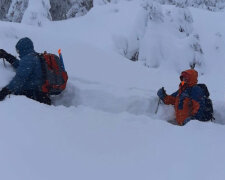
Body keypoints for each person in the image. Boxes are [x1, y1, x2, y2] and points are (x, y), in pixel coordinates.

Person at [0, 37, 51, 105]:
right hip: (41, 91)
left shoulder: (28, 59)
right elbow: (22, 67)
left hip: (34, 92)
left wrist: (6, 90)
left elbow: (20, 78)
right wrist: (8, 56)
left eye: (18, 50)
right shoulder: (35, 56)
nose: (18, 52)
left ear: (22, 48)